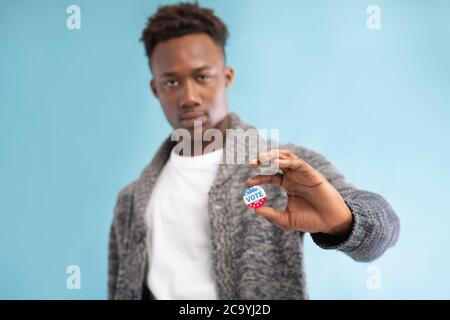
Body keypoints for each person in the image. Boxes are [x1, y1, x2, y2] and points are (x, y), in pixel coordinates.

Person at [108, 2, 400, 300]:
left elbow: (384, 228)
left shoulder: (285, 168)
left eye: (202, 77)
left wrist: (343, 222)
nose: (189, 97)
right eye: (171, 82)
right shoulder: (130, 200)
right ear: (156, 89)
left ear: (227, 77)